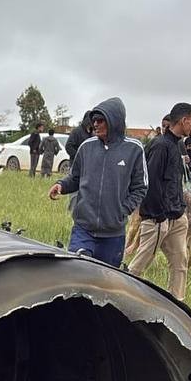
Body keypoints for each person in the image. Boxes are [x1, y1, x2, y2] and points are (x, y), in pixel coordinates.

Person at [48, 97, 147, 268]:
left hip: (113, 234)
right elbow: (75, 177)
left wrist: (122, 210)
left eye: (101, 120)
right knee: (77, 270)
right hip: (83, 228)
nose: (96, 124)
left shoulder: (134, 149)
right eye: (94, 121)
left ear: (114, 121)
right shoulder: (86, 147)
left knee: (105, 283)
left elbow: (141, 187)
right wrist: (61, 185)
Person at [128, 101, 191, 300]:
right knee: (140, 263)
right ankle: (124, 297)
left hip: (177, 216)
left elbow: (175, 182)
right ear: (184, 120)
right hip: (159, 218)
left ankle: (177, 305)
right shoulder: (160, 146)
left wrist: (180, 210)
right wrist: (158, 216)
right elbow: (151, 182)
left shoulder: (178, 145)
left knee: (180, 264)